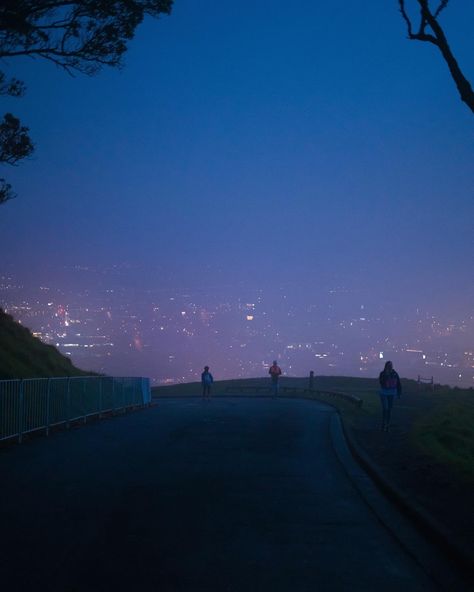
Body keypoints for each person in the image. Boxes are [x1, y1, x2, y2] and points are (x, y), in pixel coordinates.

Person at [378, 360, 402, 432]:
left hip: (391, 393)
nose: (390, 367)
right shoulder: (383, 373)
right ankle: (383, 424)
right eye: (389, 365)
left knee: (389, 409)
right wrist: (386, 376)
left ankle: (387, 425)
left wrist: (399, 393)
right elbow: (381, 382)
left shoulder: (394, 373)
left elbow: (398, 383)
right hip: (384, 393)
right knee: (385, 408)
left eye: (391, 365)